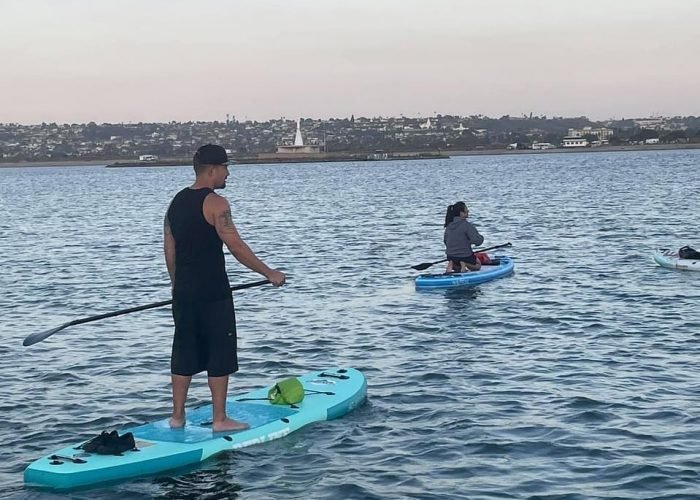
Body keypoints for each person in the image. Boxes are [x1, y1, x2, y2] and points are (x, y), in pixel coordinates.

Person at [163, 144, 286, 432]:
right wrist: (269, 273)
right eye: (226, 168)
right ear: (212, 170)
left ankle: (177, 417)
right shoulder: (217, 203)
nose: (228, 173)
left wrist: (176, 284)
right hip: (213, 291)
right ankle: (220, 419)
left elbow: (170, 248)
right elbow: (236, 246)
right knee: (220, 350)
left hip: (183, 293)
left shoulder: (175, 202)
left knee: (183, 351)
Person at [443, 201, 484, 273]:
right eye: (466, 209)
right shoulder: (466, 225)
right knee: (478, 265)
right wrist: (480, 239)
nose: (468, 211)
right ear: (461, 213)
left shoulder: (448, 226)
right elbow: (477, 240)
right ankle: (464, 264)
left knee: (456, 266)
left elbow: (445, 241)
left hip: (450, 256)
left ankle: (451, 264)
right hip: (465, 256)